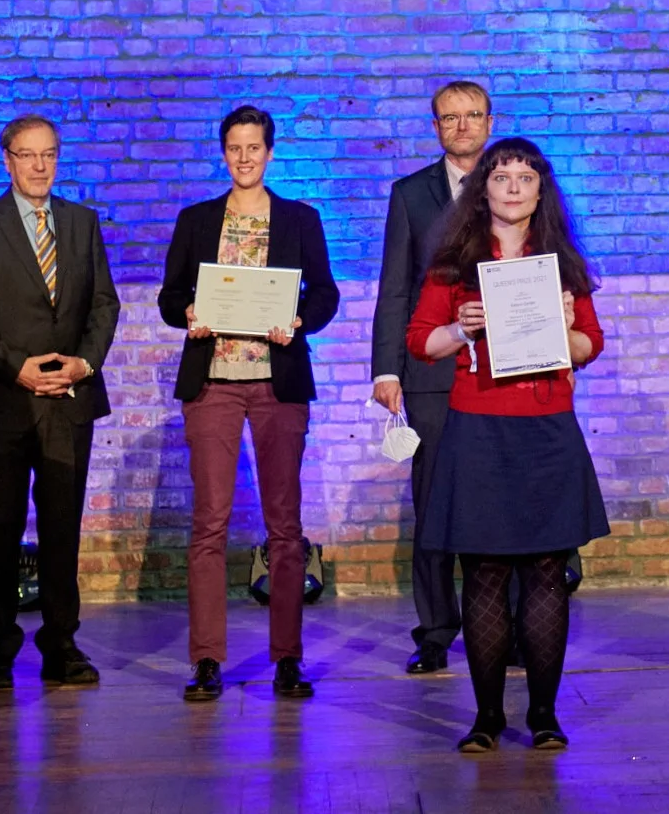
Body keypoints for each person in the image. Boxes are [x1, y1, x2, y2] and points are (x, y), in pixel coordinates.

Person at [407, 137, 607, 753]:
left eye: (525, 177)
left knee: (547, 570)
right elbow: (421, 343)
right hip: (479, 425)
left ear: (541, 189)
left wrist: (569, 324)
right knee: (486, 573)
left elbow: (590, 348)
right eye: (502, 177)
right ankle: (486, 717)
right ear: (482, 189)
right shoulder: (454, 264)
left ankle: (544, 716)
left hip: (546, 427)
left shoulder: (563, 263)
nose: (514, 187)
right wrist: (456, 328)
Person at [160, 104, 341, 702]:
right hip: (212, 381)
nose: (244, 157)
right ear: (223, 152)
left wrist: (298, 321)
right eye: (234, 147)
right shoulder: (196, 219)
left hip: (277, 380)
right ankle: (207, 658)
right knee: (209, 523)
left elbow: (325, 292)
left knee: (284, 528)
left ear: (270, 152)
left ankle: (287, 658)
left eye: (254, 147)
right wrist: (187, 313)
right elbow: (170, 296)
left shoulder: (299, 218)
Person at [0, 114, 121, 690]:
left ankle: (61, 644)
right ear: (7, 160)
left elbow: (104, 305)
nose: (40, 166)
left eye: (49, 155)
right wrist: (16, 367)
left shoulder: (81, 222)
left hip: (67, 398)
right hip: (0, 399)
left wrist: (84, 363)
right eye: (28, 155)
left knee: (63, 527)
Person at [369, 80, 494, 673]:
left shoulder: (516, 181)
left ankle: (508, 627)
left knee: (503, 503)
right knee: (435, 505)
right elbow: (395, 288)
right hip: (431, 370)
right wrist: (385, 370)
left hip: (503, 369)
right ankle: (437, 631)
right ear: (435, 126)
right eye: (451, 118)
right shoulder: (410, 194)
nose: (463, 126)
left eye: (473, 115)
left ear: (489, 121)